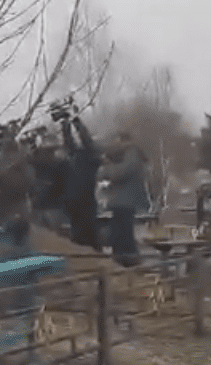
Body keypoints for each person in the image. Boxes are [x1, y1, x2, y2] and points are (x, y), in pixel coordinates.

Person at [100, 132, 149, 267]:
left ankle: (129, 266)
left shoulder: (132, 154)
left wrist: (107, 168)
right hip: (121, 202)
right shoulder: (128, 154)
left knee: (124, 238)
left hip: (125, 202)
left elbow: (121, 172)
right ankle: (126, 264)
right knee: (121, 237)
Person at [60, 112, 102, 250]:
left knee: (88, 234)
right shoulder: (77, 155)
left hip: (84, 200)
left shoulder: (90, 157)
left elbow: (87, 141)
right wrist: (65, 125)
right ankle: (90, 254)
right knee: (81, 235)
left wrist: (76, 123)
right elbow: (69, 143)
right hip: (76, 201)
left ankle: (94, 255)